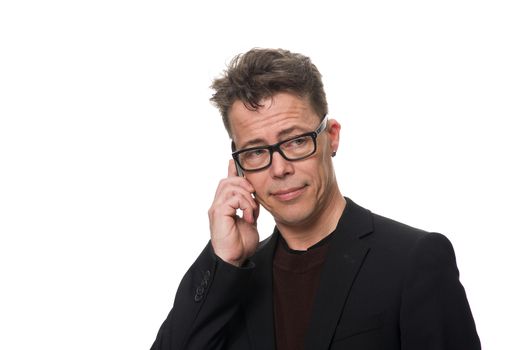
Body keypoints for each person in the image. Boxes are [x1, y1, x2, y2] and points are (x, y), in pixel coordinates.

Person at [150, 48, 480, 350]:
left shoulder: (414, 260)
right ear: (238, 167)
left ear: (331, 137)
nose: (279, 169)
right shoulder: (233, 279)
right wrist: (223, 261)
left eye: (295, 141)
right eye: (255, 152)